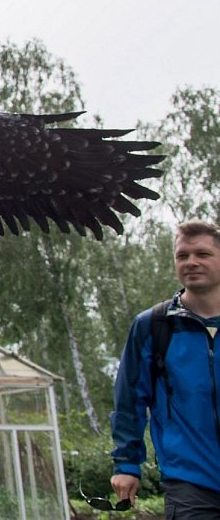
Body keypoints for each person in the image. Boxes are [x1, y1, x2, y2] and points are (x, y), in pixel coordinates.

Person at [110, 220, 220, 518]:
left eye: (202, 254)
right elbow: (130, 400)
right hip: (190, 482)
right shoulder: (153, 325)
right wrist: (126, 464)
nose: (191, 262)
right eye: (182, 256)